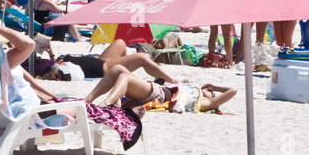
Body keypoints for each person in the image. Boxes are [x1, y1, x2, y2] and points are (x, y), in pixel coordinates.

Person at [84, 64, 237, 113]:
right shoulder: (192, 90)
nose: (208, 90)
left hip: (159, 95)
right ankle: (88, 100)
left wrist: (215, 87)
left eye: (210, 92)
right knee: (117, 69)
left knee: (124, 77)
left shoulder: (205, 103)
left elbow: (233, 91)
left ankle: (105, 105)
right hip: (156, 89)